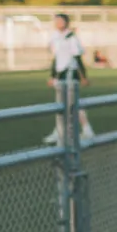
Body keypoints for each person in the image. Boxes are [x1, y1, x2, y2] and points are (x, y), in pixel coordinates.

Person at [43, 13, 96, 143]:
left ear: (66, 22)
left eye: (60, 21)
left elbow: (77, 57)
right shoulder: (55, 37)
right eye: (56, 21)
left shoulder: (71, 37)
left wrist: (83, 76)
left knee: (72, 103)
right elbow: (56, 59)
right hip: (60, 74)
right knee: (61, 104)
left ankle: (86, 130)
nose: (58, 23)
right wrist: (52, 76)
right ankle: (60, 132)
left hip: (70, 73)